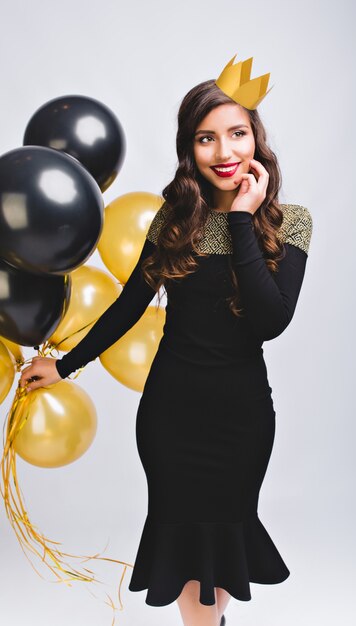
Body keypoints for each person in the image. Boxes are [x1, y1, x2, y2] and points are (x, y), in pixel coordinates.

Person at [19, 58, 313, 626]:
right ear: (190, 148)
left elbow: (269, 320)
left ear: (256, 139)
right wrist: (67, 365)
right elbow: (129, 306)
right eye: (207, 138)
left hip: (241, 419)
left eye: (237, 134)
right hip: (171, 414)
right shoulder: (173, 220)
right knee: (183, 544)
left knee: (222, 541)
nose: (225, 152)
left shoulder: (290, 220)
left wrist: (244, 222)